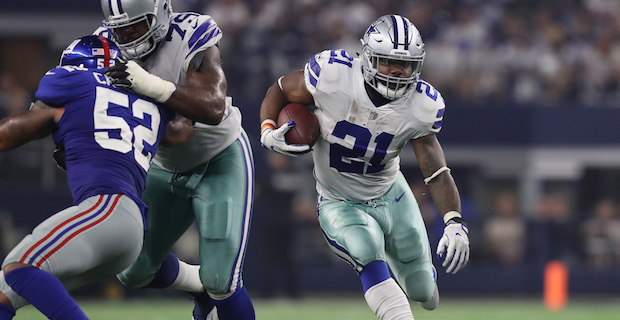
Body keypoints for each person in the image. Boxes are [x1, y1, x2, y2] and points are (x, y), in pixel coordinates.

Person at [259, 15, 470, 320]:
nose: (400, 71)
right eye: (389, 62)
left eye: (408, 64)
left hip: (391, 193)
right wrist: (267, 127)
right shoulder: (333, 75)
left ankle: (422, 281)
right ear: (369, 58)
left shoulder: (421, 105)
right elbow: (280, 88)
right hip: (339, 201)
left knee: (424, 292)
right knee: (365, 250)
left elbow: (436, 170)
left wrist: (453, 221)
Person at [96, 1, 255, 319]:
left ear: (162, 11)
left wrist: (151, 86)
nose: (128, 36)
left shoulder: (190, 35)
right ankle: (197, 285)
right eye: (120, 29)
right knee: (132, 270)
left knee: (222, 281)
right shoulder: (102, 46)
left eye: (137, 25)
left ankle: (211, 285)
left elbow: (211, 108)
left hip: (218, 159)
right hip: (161, 167)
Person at [0, 35, 175, 320]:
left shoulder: (72, 81)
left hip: (107, 208)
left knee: (19, 265)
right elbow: (180, 133)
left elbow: (25, 127)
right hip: (130, 232)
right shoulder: (149, 102)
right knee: (4, 292)